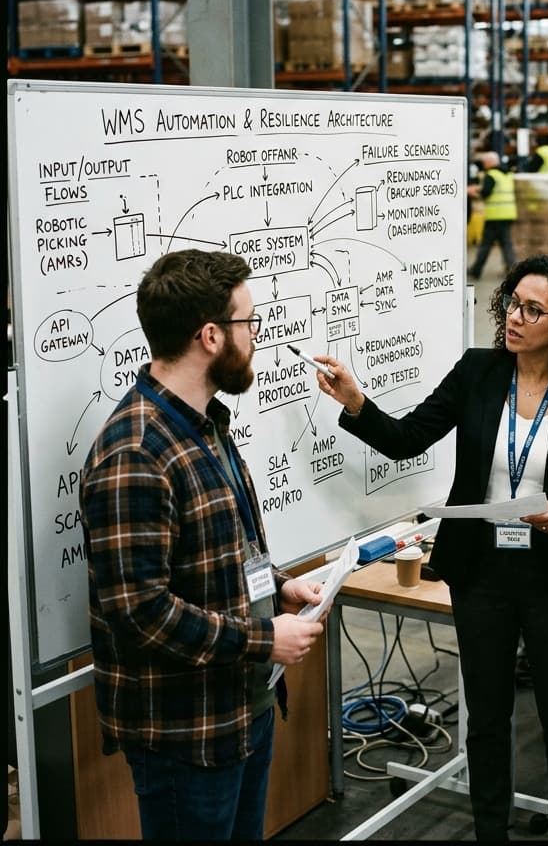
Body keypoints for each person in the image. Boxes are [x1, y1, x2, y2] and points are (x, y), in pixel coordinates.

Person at [313, 255, 548, 841]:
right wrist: (355, 402)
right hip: (481, 569)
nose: (515, 317)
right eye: (512, 302)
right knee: (486, 717)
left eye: (534, 309)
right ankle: (489, 834)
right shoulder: (478, 371)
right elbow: (406, 439)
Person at [79, 249, 327, 841]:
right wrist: (265, 637)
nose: (259, 336)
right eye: (249, 322)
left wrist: (281, 589)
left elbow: (226, 551)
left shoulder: (206, 422)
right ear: (211, 336)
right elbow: (141, 615)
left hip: (243, 712)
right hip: (187, 737)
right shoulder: (136, 454)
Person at [467, 150, 517, 280]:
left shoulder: (491, 175)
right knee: (506, 244)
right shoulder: (507, 174)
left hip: (495, 215)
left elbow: (486, 193)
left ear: (489, 162)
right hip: (508, 213)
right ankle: (513, 271)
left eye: (484, 162)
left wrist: (471, 192)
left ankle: (476, 270)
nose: (483, 165)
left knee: (486, 245)